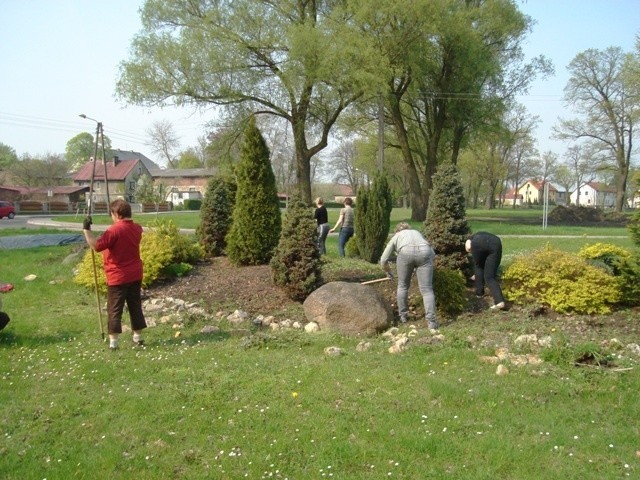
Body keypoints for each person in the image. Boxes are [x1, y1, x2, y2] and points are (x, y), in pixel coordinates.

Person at [83, 198, 147, 350]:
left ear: (117, 214)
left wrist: (86, 230)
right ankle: (138, 337)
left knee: (115, 308)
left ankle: (114, 343)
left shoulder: (114, 230)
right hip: (135, 274)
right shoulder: (137, 228)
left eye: (112, 214)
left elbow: (96, 246)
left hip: (118, 275)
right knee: (135, 305)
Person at [380, 222, 438, 329]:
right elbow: (433, 254)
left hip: (405, 253)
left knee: (402, 286)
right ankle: (432, 322)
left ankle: (403, 316)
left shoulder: (396, 236)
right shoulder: (417, 233)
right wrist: (417, 267)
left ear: (397, 231)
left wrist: (389, 272)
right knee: (427, 290)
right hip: (425, 252)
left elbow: (383, 259)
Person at [465, 231, 505, 311]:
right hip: (495, 242)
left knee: (479, 267)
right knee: (490, 276)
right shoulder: (478, 234)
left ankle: (479, 293)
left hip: (478, 242)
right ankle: (500, 301)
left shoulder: (471, 241)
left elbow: (468, 247)